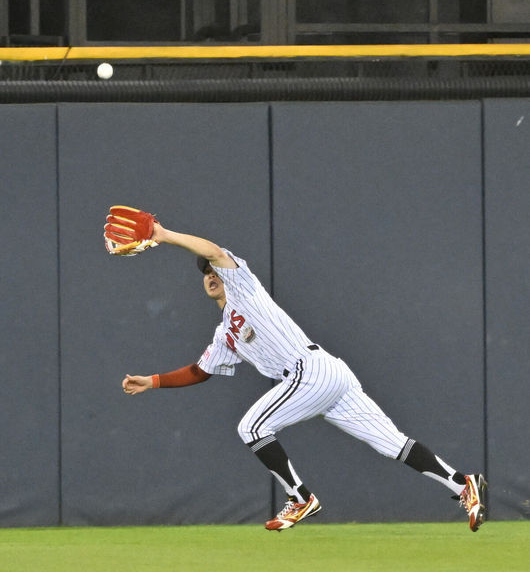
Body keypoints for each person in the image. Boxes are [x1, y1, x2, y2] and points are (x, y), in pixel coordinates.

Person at [122, 220, 487, 532]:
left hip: (310, 370)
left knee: (251, 428)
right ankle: (463, 483)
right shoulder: (224, 334)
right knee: (391, 444)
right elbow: (199, 372)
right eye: (205, 275)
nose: (211, 276)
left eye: (214, 270)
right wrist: (151, 381)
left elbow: (215, 251)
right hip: (326, 377)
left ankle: (300, 498)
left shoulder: (243, 287)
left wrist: (164, 234)